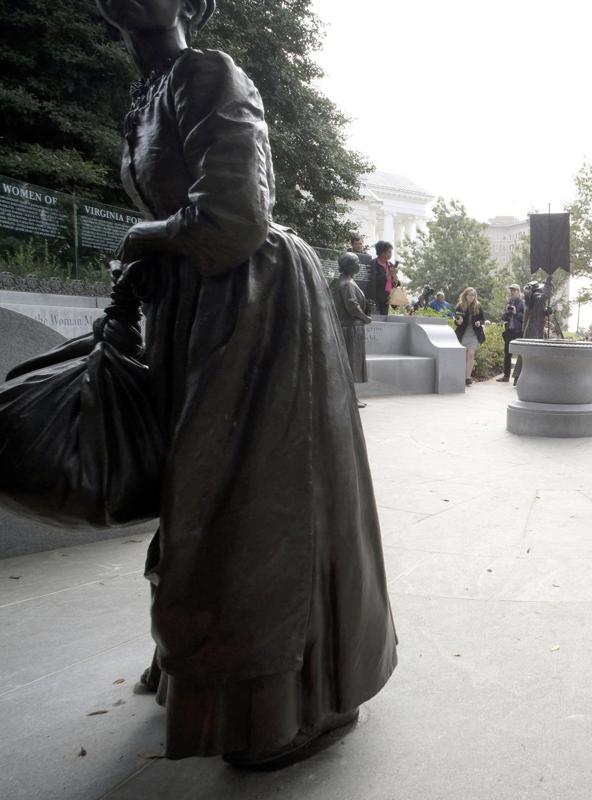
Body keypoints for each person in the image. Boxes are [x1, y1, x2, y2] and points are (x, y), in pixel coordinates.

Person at [95, 0, 396, 764]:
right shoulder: (145, 96)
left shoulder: (211, 74)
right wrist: (145, 262)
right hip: (196, 304)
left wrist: (143, 238)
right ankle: (203, 672)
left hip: (253, 308)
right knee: (198, 497)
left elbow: (234, 217)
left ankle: (288, 704)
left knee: (252, 507)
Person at [333, 252, 372, 408]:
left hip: (349, 327)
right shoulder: (348, 284)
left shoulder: (345, 281)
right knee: (350, 364)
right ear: (350, 266)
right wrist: (365, 318)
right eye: (356, 262)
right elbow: (352, 307)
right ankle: (349, 399)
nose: (359, 265)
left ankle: (350, 398)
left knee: (349, 364)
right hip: (351, 329)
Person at [454, 286, 485, 385]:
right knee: (462, 355)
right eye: (470, 295)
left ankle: (468, 378)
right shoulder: (460, 306)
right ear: (465, 295)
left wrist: (479, 323)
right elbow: (457, 320)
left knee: (471, 354)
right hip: (463, 334)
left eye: (474, 295)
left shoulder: (478, 306)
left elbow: (483, 319)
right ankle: (461, 376)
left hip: (474, 334)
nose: (472, 297)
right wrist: (459, 321)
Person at [496, 283, 524, 382]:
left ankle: (519, 377)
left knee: (521, 354)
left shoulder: (522, 303)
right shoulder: (509, 302)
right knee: (507, 353)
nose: (512, 292)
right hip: (509, 331)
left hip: (518, 331)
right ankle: (506, 376)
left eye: (514, 290)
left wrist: (516, 313)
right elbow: (504, 316)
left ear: (518, 291)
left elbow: (525, 318)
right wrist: (506, 315)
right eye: (511, 290)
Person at [369, 240, 392, 316]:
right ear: (382, 252)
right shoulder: (373, 264)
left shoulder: (390, 265)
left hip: (386, 298)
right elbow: (373, 280)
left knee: (384, 319)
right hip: (375, 298)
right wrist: (387, 275)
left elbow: (394, 284)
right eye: (388, 252)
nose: (390, 254)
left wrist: (394, 277)